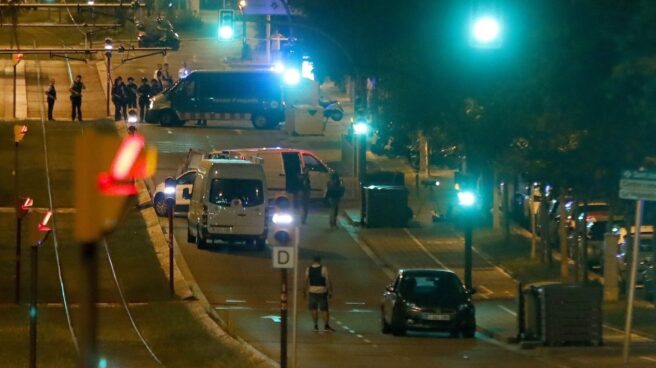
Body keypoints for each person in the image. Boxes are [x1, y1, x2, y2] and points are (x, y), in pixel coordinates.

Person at [304, 255, 334, 332]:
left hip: (312, 291)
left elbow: (306, 280)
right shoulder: (324, 268)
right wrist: (330, 291)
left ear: (313, 260)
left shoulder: (309, 269)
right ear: (320, 260)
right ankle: (326, 326)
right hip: (322, 291)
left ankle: (315, 326)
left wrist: (304, 291)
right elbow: (328, 280)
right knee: (324, 309)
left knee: (313, 309)